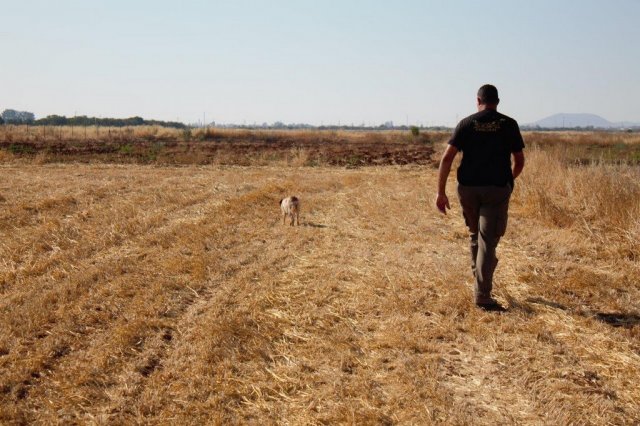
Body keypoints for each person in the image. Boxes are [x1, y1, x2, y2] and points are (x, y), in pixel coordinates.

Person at [436, 84, 525, 310]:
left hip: (468, 189)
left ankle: (479, 279)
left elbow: (447, 159)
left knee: (476, 235)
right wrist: (509, 180)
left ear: (478, 100)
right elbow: (519, 160)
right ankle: (483, 295)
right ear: (497, 101)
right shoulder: (509, 124)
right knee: (488, 240)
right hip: (496, 189)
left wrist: (441, 192)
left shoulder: (466, 124)